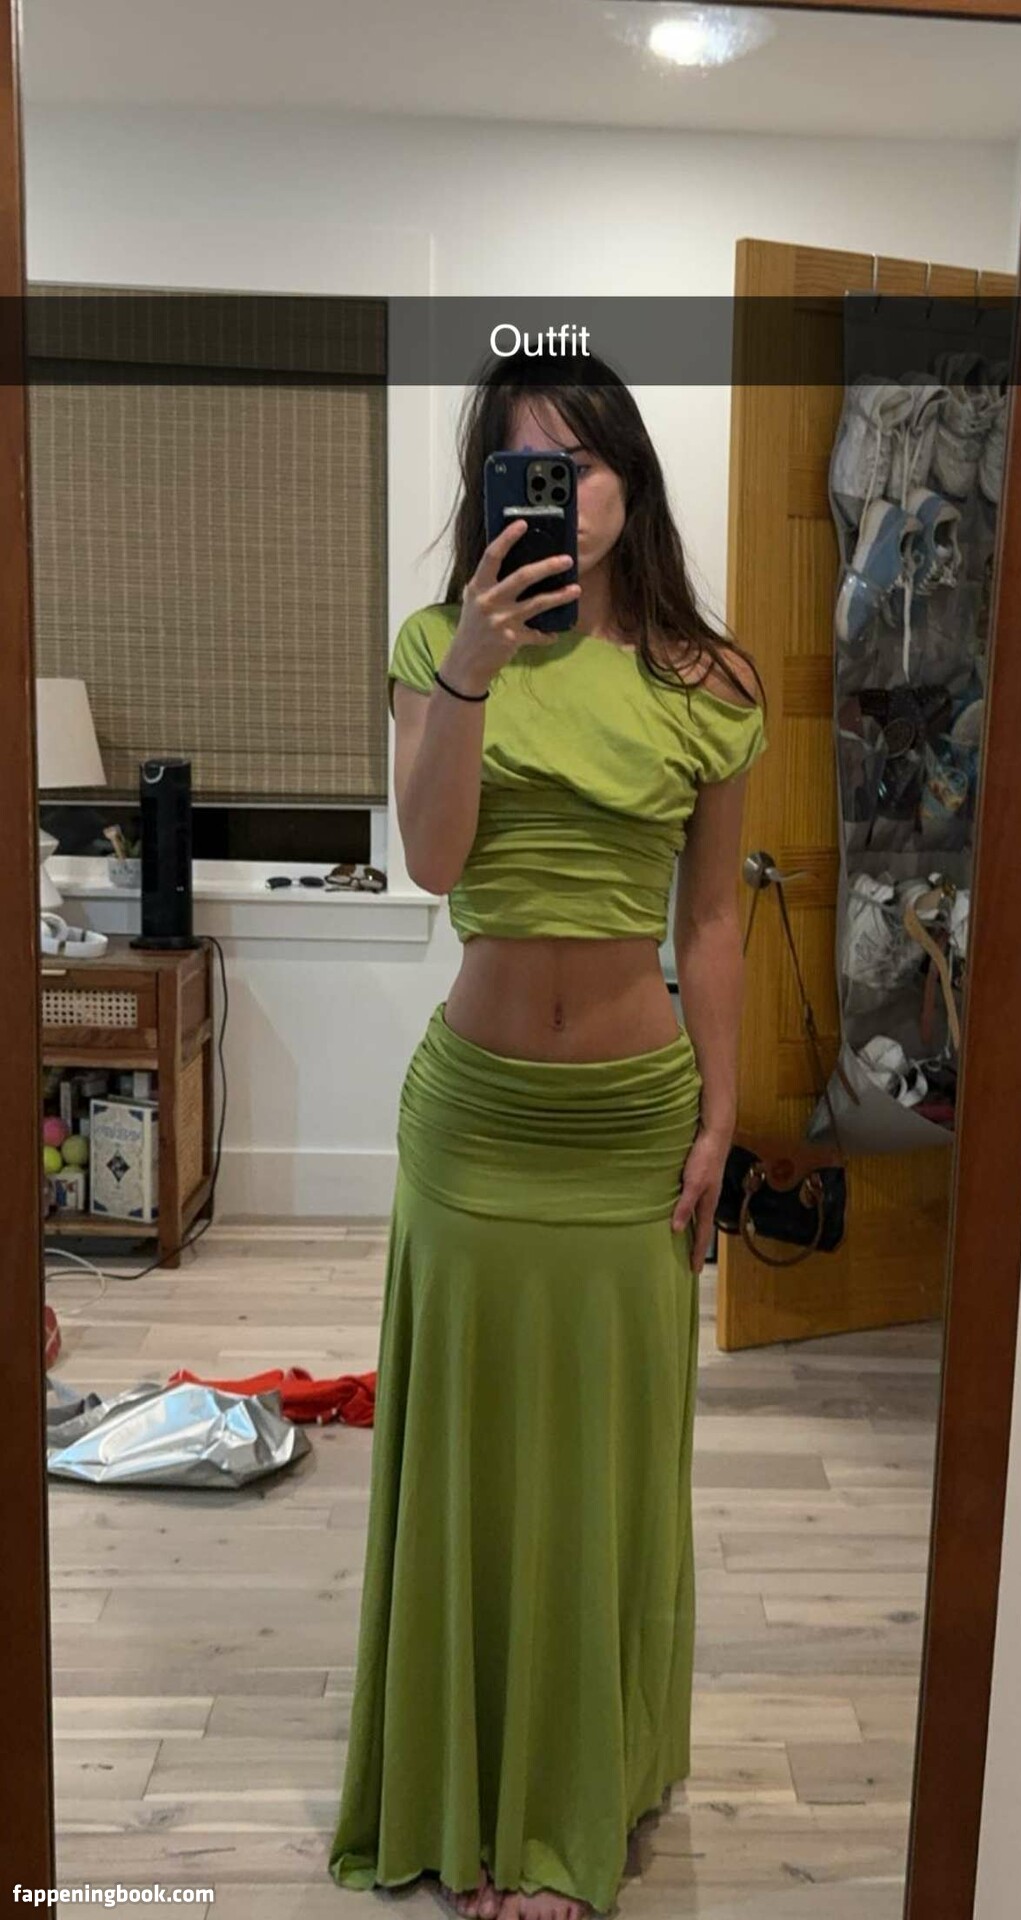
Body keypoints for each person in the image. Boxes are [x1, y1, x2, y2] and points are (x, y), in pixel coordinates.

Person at [328, 351, 769, 1920]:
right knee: (471, 1464)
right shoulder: (438, 645)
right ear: (487, 491)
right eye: (523, 464)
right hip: (478, 1123)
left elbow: (712, 923)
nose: (558, 491)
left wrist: (724, 1115)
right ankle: (464, 1795)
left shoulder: (711, 681)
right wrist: (471, 671)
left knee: (600, 1474)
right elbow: (436, 863)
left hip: (630, 1130)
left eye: (580, 462)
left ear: (629, 483)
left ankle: (573, 1800)